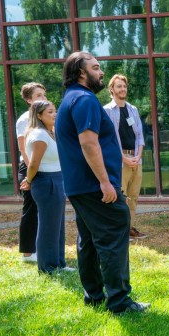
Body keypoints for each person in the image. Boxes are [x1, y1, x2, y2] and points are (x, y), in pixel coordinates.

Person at [55, 51, 148, 314]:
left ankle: (94, 296)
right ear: (81, 72)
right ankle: (120, 302)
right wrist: (106, 183)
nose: (101, 72)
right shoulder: (84, 100)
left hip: (80, 186)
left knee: (89, 239)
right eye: (96, 68)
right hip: (95, 186)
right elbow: (88, 142)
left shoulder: (71, 99)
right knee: (115, 230)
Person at [19, 100, 72, 274]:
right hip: (45, 180)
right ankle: (47, 267)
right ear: (39, 115)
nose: (54, 114)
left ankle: (59, 263)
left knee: (58, 225)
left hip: (57, 179)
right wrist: (29, 180)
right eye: (50, 112)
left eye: (54, 111)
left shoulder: (52, 132)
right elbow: (33, 164)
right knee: (48, 226)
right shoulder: (39, 135)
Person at [104, 74, 146, 239]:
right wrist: (123, 158)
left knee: (133, 196)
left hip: (136, 159)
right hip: (119, 161)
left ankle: (129, 228)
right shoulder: (107, 110)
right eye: (119, 86)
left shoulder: (132, 109)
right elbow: (109, 139)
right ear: (112, 89)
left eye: (124, 86)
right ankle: (118, 231)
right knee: (120, 196)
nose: (122, 89)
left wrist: (138, 156)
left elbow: (140, 136)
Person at [16, 82, 47, 262]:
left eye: (43, 94)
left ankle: (39, 248)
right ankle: (28, 253)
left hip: (43, 167)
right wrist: (31, 175)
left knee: (41, 211)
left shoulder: (44, 118)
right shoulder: (24, 120)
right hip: (29, 167)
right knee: (31, 210)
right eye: (38, 96)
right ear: (29, 100)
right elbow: (23, 149)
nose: (43, 98)